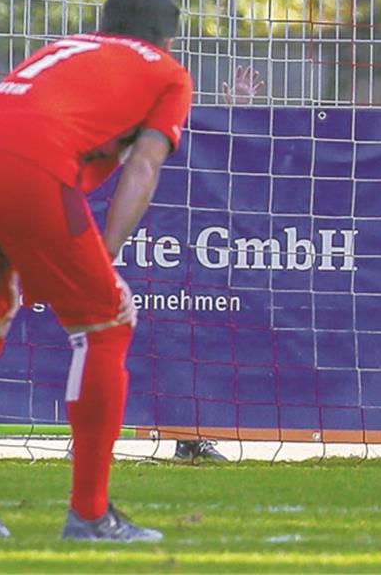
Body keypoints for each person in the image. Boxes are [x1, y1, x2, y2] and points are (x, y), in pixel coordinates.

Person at [0, 0, 193, 540]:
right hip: (27, 166)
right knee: (106, 321)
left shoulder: (67, 47)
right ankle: (91, 514)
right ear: (168, 40)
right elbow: (143, 166)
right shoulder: (167, 72)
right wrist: (108, 257)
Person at [171, 65, 264, 464]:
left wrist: (236, 114)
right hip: (157, 256)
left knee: (207, 345)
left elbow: (236, 161)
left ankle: (193, 438)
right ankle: (86, 436)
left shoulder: (207, 154)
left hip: (206, 261)